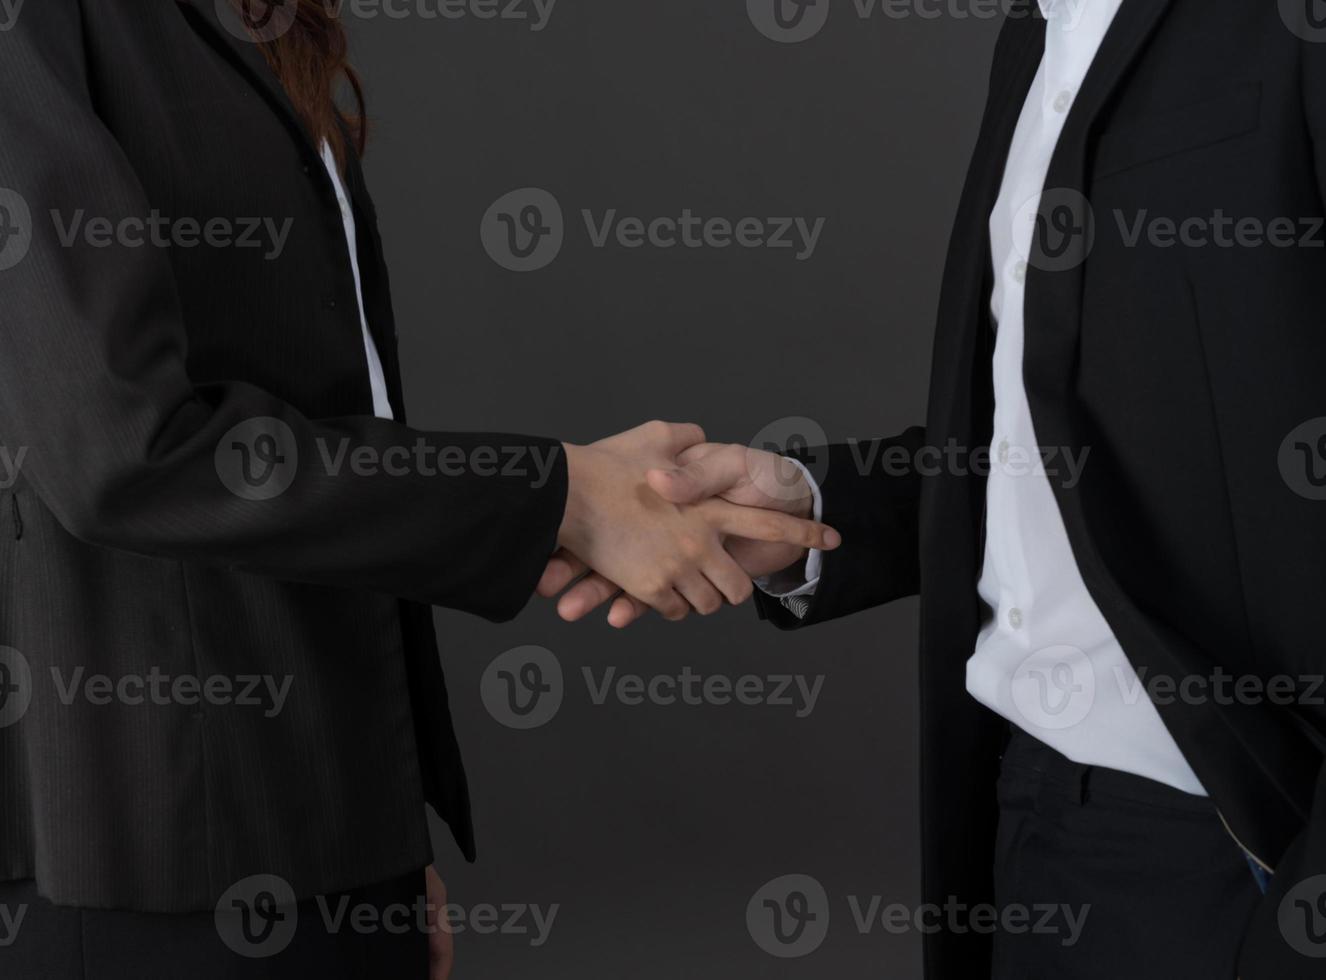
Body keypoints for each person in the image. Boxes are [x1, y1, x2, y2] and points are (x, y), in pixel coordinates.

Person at [0, 3, 837, 977]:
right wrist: (557, 495)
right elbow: (123, 451)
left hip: (327, 832)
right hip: (146, 860)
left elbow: (330, 406)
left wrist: (376, 834)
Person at [545, 2, 1326, 977]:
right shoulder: (1036, 34)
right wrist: (811, 507)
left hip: (1233, 842)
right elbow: (1068, 448)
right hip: (1024, 807)